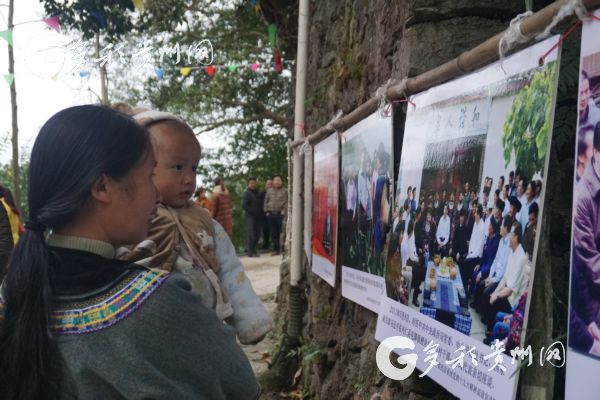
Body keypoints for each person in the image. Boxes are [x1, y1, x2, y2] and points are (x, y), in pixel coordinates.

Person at [0, 105, 260, 399]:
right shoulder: (160, 300)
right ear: (102, 187)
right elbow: (242, 384)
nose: (157, 193)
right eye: (150, 176)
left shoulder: (12, 292)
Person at [118, 106, 272, 345]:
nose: (189, 178)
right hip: (149, 332)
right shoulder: (130, 219)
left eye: (194, 168)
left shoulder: (204, 221)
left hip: (207, 326)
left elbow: (231, 271)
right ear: (140, 167)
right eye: (178, 167)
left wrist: (250, 320)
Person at [483, 222, 528, 330]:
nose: (509, 238)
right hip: (506, 291)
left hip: (513, 300)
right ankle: (489, 331)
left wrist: (497, 295)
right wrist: (495, 292)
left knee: (495, 302)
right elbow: (505, 278)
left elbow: (510, 290)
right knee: (490, 294)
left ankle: (490, 335)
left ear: (516, 237)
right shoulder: (513, 251)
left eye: (511, 235)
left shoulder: (521, 257)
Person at [472, 216, 514, 313]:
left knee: (485, 290)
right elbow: (495, 260)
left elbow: (503, 269)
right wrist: (490, 277)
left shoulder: (509, 245)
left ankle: (485, 316)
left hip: (500, 279)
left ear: (506, 228)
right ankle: (479, 308)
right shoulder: (501, 241)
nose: (500, 227)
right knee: (482, 283)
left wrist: (492, 280)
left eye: (502, 225)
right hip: (494, 275)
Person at [459, 204, 486, 290]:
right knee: (462, 257)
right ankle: (463, 285)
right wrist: (469, 253)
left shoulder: (483, 226)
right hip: (472, 252)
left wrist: (470, 255)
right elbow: (472, 240)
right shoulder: (475, 223)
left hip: (477, 256)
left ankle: (464, 289)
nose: (474, 214)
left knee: (466, 262)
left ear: (478, 214)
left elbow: (479, 248)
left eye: (475, 212)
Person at [264, 175, 288, 255]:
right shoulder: (269, 191)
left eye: (279, 180)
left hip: (280, 214)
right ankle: (276, 249)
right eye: (275, 180)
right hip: (271, 214)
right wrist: (266, 211)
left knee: (282, 232)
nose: (277, 182)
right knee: (273, 233)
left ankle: (283, 249)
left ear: (281, 181)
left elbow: (287, 202)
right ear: (273, 182)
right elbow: (266, 201)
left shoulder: (285, 191)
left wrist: (285, 210)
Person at [242, 177, 261, 257]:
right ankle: (250, 251)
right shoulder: (247, 193)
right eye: (251, 183)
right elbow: (244, 205)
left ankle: (253, 250)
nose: (253, 185)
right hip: (250, 216)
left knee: (258, 234)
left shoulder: (257, 193)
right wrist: (253, 210)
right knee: (251, 234)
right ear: (248, 184)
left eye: (254, 183)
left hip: (258, 217)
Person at [259, 179, 272, 250]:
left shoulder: (274, 192)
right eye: (268, 184)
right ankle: (265, 245)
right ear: (265, 185)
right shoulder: (262, 193)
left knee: (272, 231)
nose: (269, 186)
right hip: (263, 215)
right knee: (264, 230)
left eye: (271, 184)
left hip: (272, 214)